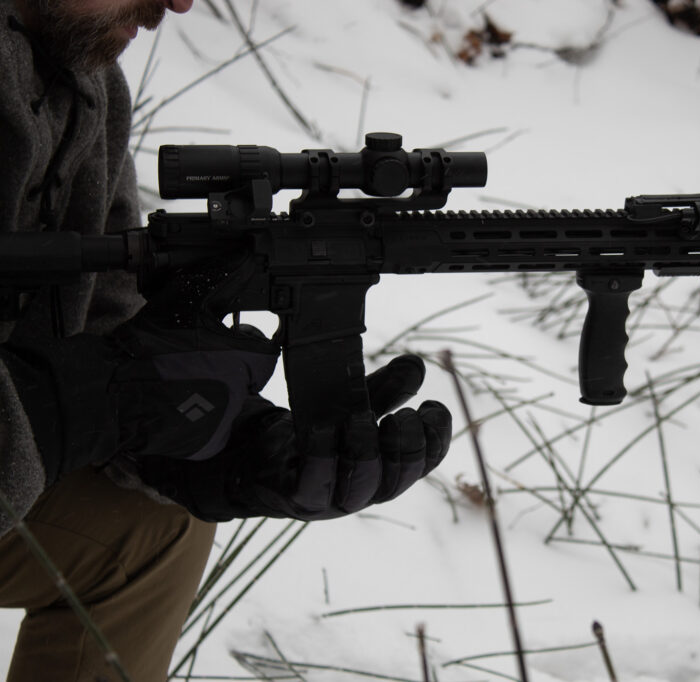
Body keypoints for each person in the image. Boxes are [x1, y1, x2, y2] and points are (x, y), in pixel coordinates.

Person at [0, 1, 452, 679]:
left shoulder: (82, 78)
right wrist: (85, 405)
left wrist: (233, 451)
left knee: (155, 530)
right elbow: (93, 392)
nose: (180, 2)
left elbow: (107, 326)